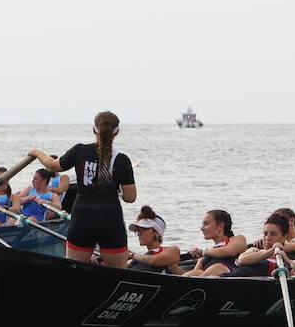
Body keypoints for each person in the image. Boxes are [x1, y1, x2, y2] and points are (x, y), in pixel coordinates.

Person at [29, 110, 137, 267]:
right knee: (118, 273)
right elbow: (130, 197)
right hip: (110, 219)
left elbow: (52, 165)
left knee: (74, 272)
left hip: (82, 217)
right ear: (117, 132)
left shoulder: (79, 151)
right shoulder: (122, 160)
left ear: (94, 130)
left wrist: (36, 152)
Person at [228, 214, 295, 278]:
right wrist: (271, 251)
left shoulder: (290, 260)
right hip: (233, 279)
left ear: (285, 237)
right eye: (265, 234)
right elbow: (242, 260)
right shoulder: (254, 250)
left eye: (273, 234)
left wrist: (286, 261)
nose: (267, 238)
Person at [182, 210, 247, 277]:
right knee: (193, 273)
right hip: (206, 277)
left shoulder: (238, 239)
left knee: (217, 268)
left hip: (229, 275)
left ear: (220, 226)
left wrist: (202, 252)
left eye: (206, 224)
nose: (202, 228)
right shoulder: (205, 255)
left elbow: (230, 251)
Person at [127, 207, 181, 273]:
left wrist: (131, 255)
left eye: (144, 229)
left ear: (157, 233)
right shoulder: (140, 258)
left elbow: (152, 261)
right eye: (138, 230)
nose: (139, 233)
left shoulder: (173, 250)